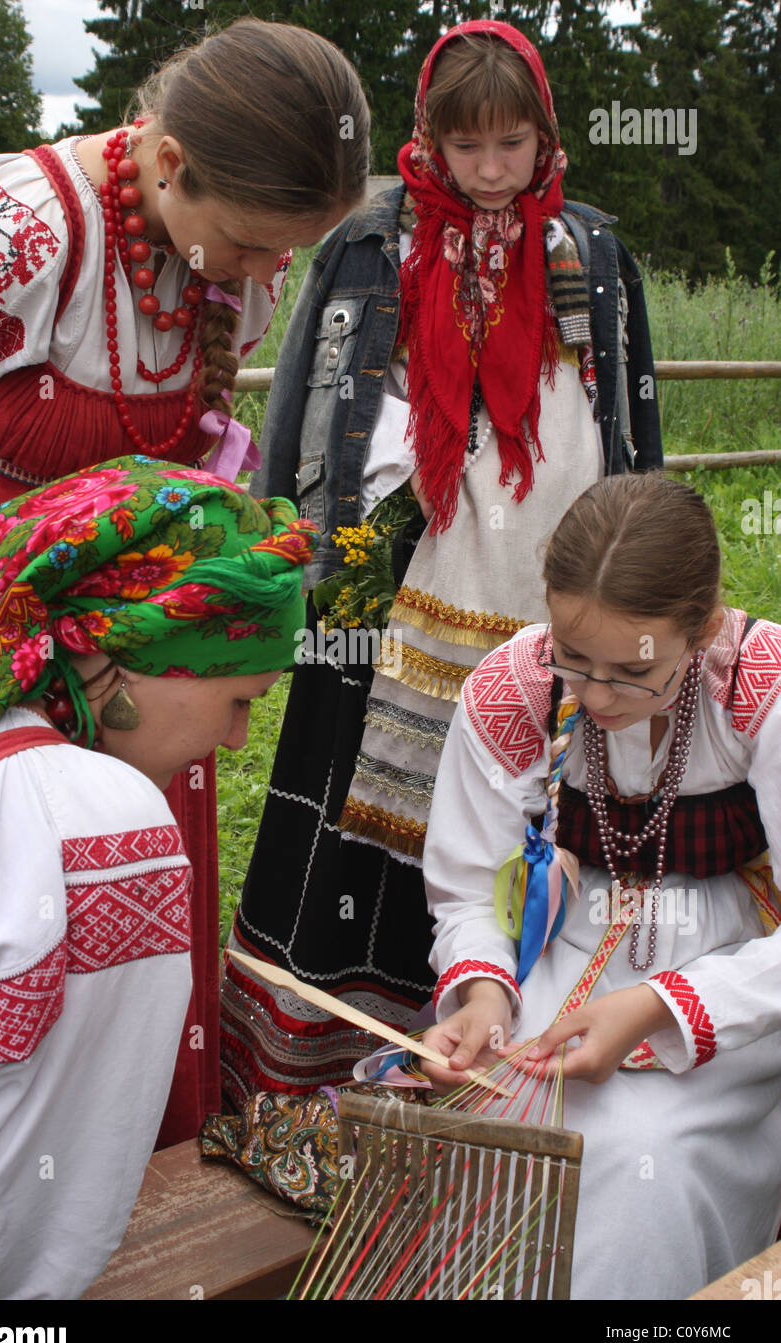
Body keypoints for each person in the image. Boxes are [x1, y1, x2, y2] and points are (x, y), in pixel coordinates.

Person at [0, 17, 370, 1137]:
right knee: (2, 937)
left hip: (127, 684)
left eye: (289, 252)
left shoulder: (230, 273)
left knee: (114, 937)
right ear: (169, 164)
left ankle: (112, 1180)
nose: (273, 279)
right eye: (257, 242)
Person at [223, 19, 662, 1105]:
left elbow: (631, 424)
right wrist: (290, 547)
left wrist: (638, 570)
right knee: (346, 800)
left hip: (546, 574)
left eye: (511, 145)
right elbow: (299, 410)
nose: (489, 170)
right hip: (379, 562)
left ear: (542, 134)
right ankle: (315, 1069)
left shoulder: (593, 256)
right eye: (467, 149)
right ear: (430, 136)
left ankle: (490, 1053)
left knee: (522, 802)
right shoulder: (369, 245)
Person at [0, 457, 319, 1299]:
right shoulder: (99, 825)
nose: (239, 741)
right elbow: (35, 1209)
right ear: (132, 660)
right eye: (240, 698)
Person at [421, 471, 781, 1300]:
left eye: (629, 672)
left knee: (646, 1157)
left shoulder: (757, 690)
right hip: (564, 949)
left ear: (703, 630)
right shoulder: (516, 688)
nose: (592, 694)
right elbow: (471, 888)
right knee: (498, 1114)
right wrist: (483, 997)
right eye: (574, 657)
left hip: (733, 977)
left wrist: (660, 1009)